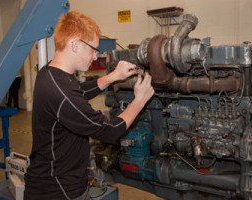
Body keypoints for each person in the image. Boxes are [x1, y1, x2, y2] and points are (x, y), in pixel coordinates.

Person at [24, 11, 154, 200]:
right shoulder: (61, 92)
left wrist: (112, 77)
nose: (95, 56)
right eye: (93, 49)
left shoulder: (50, 73)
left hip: (55, 182)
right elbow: (108, 130)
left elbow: (79, 92)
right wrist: (140, 100)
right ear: (75, 45)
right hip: (59, 191)